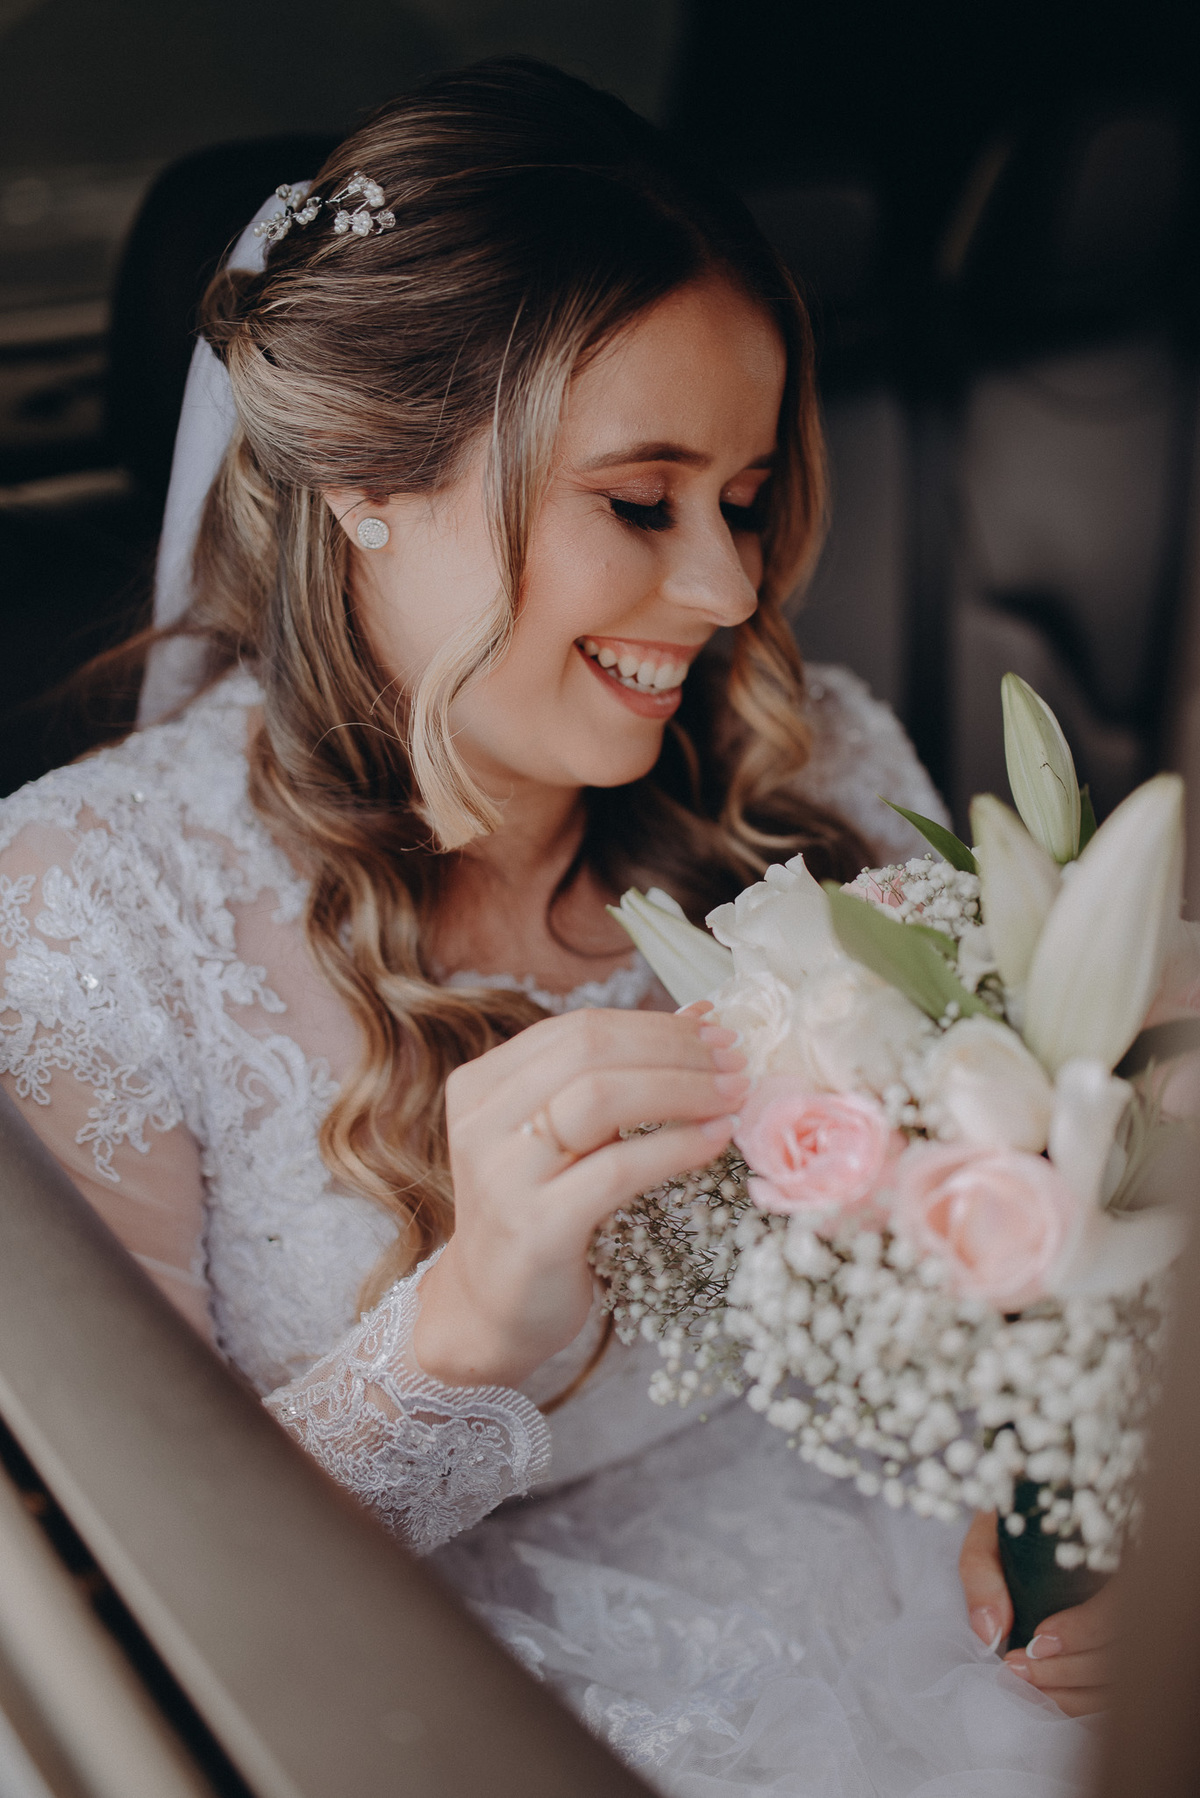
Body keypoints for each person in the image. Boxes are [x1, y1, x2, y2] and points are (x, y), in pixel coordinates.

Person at [0, 58, 1107, 1795]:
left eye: (743, 497)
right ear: (368, 478)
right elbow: (109, 1607)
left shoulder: (814, 769)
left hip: (913, 1608)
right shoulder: (92, 908)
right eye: (640, 500)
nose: (729, 588)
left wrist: (1053, 1496)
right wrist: (464, 1328)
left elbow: (1013, 1282)